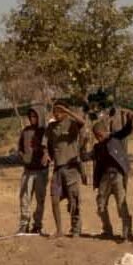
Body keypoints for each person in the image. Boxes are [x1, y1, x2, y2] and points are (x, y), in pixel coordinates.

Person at [46, 101, 86, 237]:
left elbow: (83, 122)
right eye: (55, 111)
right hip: (57, 170)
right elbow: (49, 145)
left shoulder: (72, 124)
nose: (56, 114)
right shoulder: (51, 127)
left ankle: (75, 229)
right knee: (54, 199)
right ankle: (59, 230)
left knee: (73, 200)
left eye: (60, 111)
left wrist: (68, 111)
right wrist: (48, 155)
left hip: (71, 169)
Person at [91, 112, 133, 240]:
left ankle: (127, 233)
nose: (98, 138)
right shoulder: (97, 147)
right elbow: (88, 156)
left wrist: (129, 121)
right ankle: (107, 230)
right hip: (104, 178)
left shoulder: (114, 138)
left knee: (121, 204)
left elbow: (126, 130)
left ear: (105, 132)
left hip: (118, 176)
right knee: (101, 204)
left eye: (100, 135)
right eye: (96, 136)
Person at [17, 107, 48, 235]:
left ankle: (38, 225)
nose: (32, 118)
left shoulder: (45, 132)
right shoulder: (25, 131)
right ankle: (24, 225)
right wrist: (22, 156)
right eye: (30, 116)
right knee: (24, 198)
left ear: (39, 116)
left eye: (35, 116)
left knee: (40, 199)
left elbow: (50, 148)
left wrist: (47, 155)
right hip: (28, 170)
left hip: (41, 171)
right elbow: (19, 148)